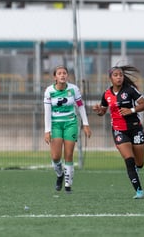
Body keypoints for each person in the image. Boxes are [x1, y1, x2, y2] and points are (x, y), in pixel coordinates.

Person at [92, 65, 144, 199]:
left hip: (135, 128)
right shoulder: (106, 94)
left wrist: (132, 110)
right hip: (118, 130)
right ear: (110, 78)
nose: (119, 77)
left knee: (139, 163)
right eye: (116, 75)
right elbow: (103, 111)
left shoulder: (130, 90)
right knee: (129, 160)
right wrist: (99, 110)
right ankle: (139, 191)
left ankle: (136, 170)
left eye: (121, 75)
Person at [44, 65, 92, 193]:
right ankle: (60, 175)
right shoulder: (49, 91)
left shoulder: (73, 89)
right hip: (55, 125)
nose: (62, 75)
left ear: (67, 75)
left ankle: (68, 184)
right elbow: (47, 112)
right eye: (59, 73)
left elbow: (80, 106)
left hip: (70, 123)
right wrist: (47, 131)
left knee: (69, 154)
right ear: (55, 77)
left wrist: (85, 124)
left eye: (64, 73)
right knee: (55, 156)